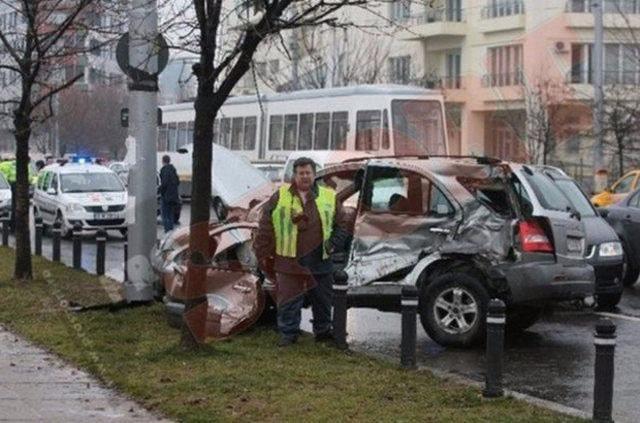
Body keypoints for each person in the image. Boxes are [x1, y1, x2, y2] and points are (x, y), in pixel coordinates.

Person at [254, 157, 348, 347]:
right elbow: (266, 223)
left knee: (322, 299)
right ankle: (288, 334)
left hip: (320, 259)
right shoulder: (280, 196)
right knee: (289, 299)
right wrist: (263, 250)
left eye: (308, 173)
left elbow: (343, 224)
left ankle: (322, 332)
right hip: (289, 259)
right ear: (294, 176)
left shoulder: (329, 196)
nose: (305, 176)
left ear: (314, 175)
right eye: (301, 173)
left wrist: (333, 244)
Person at [159, 155, 180, 233]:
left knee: (165, 215)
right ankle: (171, 232)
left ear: (163, 161)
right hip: (174, 196)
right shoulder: (173, 169)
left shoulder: (164, 170)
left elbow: (164, 183)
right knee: (170, 214)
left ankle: (167, 232)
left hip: (166, 196)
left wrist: (159, 190)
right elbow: (178, 181)